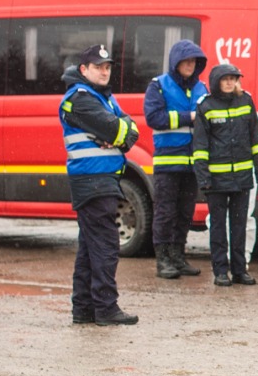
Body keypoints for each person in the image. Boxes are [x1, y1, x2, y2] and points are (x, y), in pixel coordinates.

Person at [60, 44, 142, 326]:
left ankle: (84, 308)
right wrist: (121, 131)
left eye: (107, 67)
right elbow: (118, 129)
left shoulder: (102, 96)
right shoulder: (81, 98)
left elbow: (131, 129)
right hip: (92, 180)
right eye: (98, 67)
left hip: (101, 179)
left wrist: (122, 131)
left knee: (89, 248)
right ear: (84, 70)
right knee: (106, 245)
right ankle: (106, 308)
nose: (105, 71)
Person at [192, 63, 258, 286]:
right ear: (216, 81)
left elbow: (256, 138)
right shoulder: (206, 106)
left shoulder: (246, 101)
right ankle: (220, 271)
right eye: (225, 79)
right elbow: (200, 145)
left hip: (243, 178)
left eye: (233, 78)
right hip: (216, 180)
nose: (229, 82)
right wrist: (203, 177)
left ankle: (239, 270)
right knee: (218, 227)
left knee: (239, 226)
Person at [143, 40, 207, 280]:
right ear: (176, 62)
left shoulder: (201, 87)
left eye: (194, 61)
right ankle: (163, 260)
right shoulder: (158, 86)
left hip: (193, 162)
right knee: (165, 212)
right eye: (186, 61)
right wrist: (188, 117)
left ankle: (178, 257)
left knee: (185, 212)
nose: (190, 65)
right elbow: (154, 117)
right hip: (168, 161)